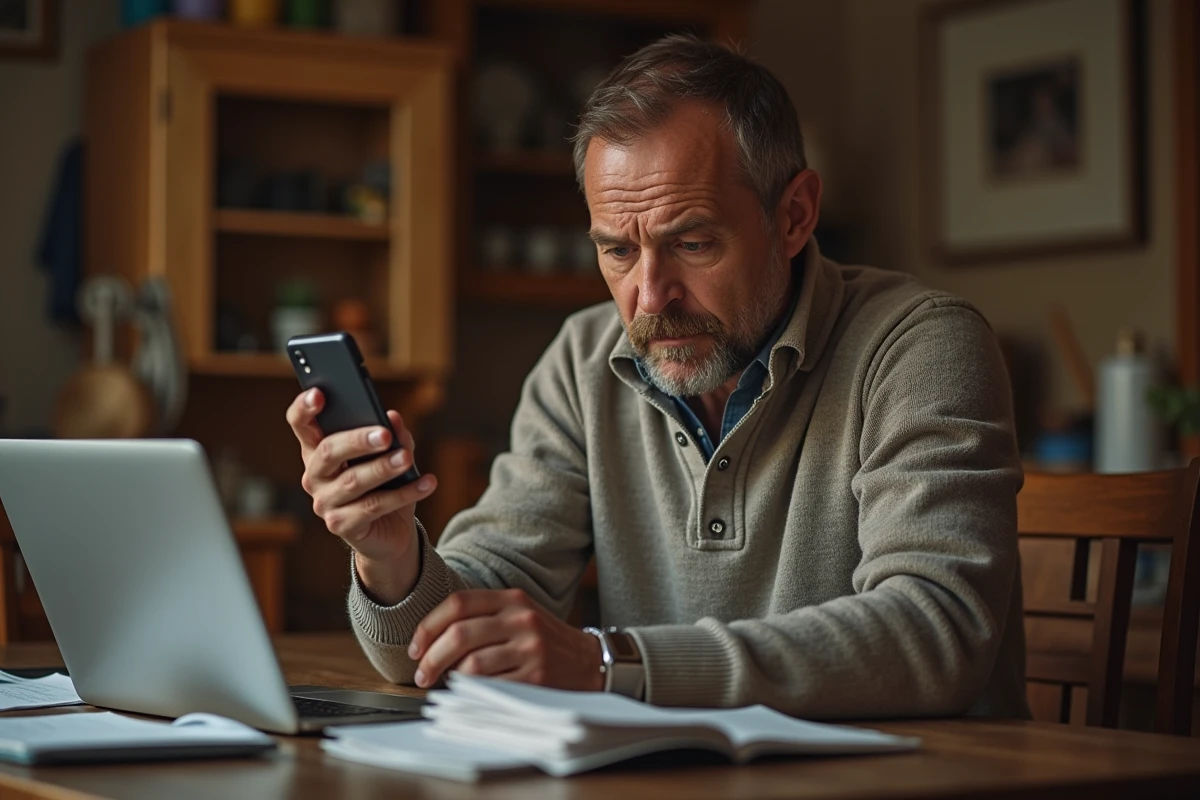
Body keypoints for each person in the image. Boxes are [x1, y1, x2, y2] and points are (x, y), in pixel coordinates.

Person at [286, 34, 1029, 719]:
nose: (649, 298)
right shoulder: (582, 361)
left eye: (694, 242)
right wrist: (393, 558)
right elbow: (455, 632)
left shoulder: (921, 345)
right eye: (616, 251)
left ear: (796, 214)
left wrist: (613, 663)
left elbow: (938, 629)